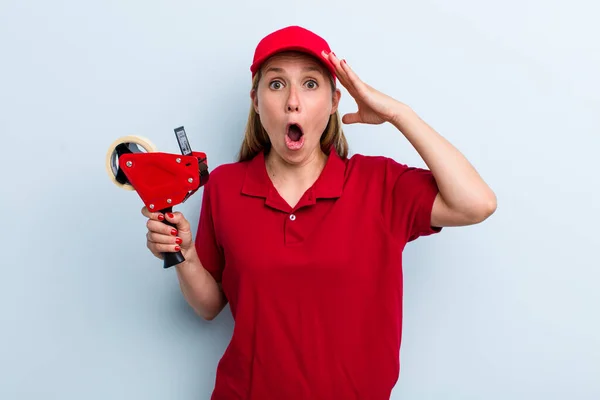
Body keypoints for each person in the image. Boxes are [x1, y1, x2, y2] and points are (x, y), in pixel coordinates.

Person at [142, 25, 496, 400]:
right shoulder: (226, 187)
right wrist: (185, 255)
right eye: (276, 85)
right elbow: (210, 307)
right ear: (256, 101)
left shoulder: (379, 184)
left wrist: (396, 113)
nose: (293, 101)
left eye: (310, 84)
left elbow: (477, 203)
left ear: (333, 101)